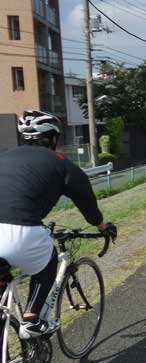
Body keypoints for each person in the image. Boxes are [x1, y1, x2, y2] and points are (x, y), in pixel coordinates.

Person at [0, 110, 117, 339]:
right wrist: (102, 226)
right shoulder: (60, 163)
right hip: (18, 232)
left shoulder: (4, 157)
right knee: (47, 262)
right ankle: (32, 320)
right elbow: (86, 200)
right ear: (53, 139)